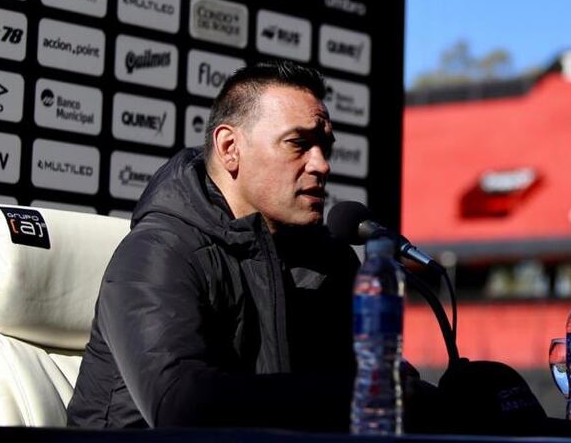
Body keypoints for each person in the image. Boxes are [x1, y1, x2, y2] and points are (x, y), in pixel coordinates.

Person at [67, 60, 368, 429]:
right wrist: (356, 394)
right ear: (229, 148)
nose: (321, 165)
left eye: (324, 147)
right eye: (299, 144)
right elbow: (182, 408)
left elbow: (378, 380)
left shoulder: (329, 261)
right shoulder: (157, 253)